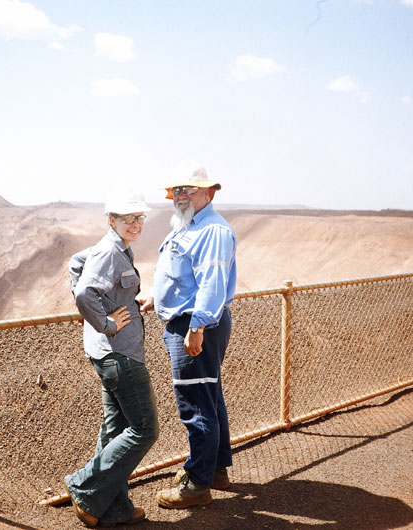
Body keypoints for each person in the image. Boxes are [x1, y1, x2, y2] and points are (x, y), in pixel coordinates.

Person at [142, 167, 237, 509]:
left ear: (209, 194)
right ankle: (216, 472)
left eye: (190, 190)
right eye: (178, 190)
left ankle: (196, 485)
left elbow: (212, 282)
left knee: (196, 406)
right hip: (190, 321)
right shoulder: (190, 226)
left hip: (195, 327)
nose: (181, 195)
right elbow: (184, 276)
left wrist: (197, 327)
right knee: (209, 398)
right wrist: (158, 297)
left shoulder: (211, 230)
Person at [64, 190, 159, 527]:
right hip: (119, 354)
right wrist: (104, 322)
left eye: (139, 218)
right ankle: (84, 487)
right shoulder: (109, 251)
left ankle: (111, 508)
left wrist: (128, 306)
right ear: (112, 220)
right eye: (127, 219)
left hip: (110, 352)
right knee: (145, 429)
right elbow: (85, 292)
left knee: (115, 429)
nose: (135, 224)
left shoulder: (113, 247)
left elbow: (76, 263)